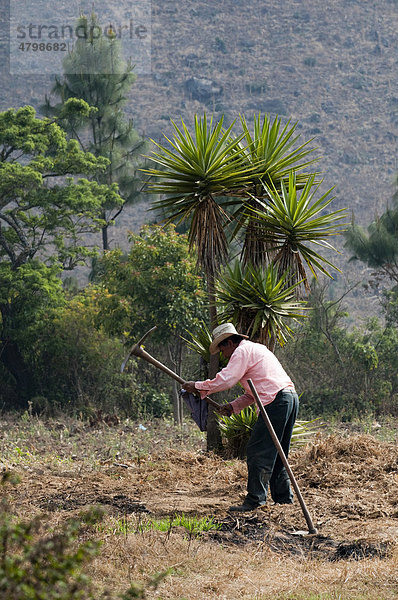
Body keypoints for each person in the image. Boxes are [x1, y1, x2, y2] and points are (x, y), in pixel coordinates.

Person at [183, 322, 299, 512]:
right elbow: (252, 393)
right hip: (288, 398)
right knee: (278, 453)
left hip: (276, 401)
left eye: (221, 347)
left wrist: (197, 386)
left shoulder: (241, 352)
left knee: (257, 450)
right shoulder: (255, 349)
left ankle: (255, 501)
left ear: (229, 342)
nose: (222, 353)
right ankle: (283, 500)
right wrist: (233, 407)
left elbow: (227, 379)